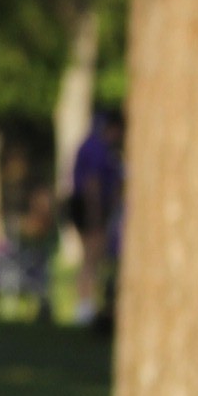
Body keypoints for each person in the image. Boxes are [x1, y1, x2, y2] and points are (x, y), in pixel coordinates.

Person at [69, 98, 124, 327]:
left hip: (89, 206)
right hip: (90, 206)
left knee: (92, 258)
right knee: (91, 257)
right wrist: (95, 215)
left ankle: (88, 305)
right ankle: (84, 307)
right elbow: (92, 183)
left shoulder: (97, 146)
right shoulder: (96, 147)